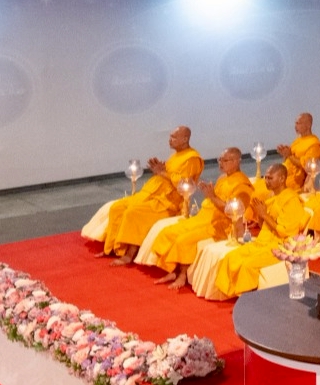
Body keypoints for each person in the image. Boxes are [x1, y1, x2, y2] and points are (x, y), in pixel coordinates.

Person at [98, 126, 202, 261]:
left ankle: (129, 254)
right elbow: (171, 173)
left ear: (185, 139)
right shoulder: (176, 155)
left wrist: (162, 172)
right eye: (170, 137)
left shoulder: (192, 158)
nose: (170, 140)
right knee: (117, 208)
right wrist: (161, 169)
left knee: (133, 212)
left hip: (168, 202)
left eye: (174, 137)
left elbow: (184, 183)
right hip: (152, 192)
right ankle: (112, 248)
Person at [152, 147, 252, 289]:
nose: (221, 163)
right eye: (220, 160)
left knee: (184, 240)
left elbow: (236, 211)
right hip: (205, 216)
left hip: (222, 224)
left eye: (225, 160)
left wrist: (212, 197)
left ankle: (182, 275)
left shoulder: (242, 184)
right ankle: (172, 270)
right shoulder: (223, 178)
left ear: (236, 161)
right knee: (168, 232)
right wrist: (210, 196)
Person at [209, 163, 308, 299]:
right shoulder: (272, 197)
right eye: (265, 177)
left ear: (282, 178)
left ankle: (247, 297)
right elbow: (264, 227)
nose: (266, 181)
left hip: (281, 246)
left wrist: (264, 215)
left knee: (247, 265)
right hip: (263, 241)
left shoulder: (291, 200)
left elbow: (285, 232)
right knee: (231, 257)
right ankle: (232, 293)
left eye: (270, 178)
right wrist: (261, 215)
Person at [281, 113, 320, 186]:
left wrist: (289, 156)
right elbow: (288, 160)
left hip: (295, 181)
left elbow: (308, 166)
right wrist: (285, 153)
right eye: (295, 123)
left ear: (308, 125)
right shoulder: (297, 141)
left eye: (299, 123)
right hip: (284, 174)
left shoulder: (314, 144)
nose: (296, 126)